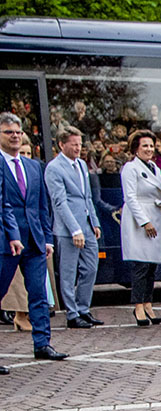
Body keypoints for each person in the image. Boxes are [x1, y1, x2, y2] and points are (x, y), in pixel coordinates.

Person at [0, 111, 66, 366]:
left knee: (39, 295)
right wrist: (12, 234)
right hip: (6, 241)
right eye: (9, 132)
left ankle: (43, 343)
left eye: (18, 132)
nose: (15, 136)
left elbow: (42, 206)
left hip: (35, 242)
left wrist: (47, 238)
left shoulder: (33, 166)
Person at [119, 129, 161, 327]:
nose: (149, 149)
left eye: (151, 146)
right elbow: (129, 197)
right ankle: (138, 306)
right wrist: (144, 222)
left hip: (156, 215)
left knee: (152, 266)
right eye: (144, 145)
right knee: (141, 265)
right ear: (136, 148)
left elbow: (159, 198)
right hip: (139, 219)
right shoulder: (130, 168)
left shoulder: (154, 167)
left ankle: (148, 303)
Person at [44, 125, 103, 329]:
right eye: (74, 144)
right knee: (68, 272)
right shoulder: (54, 168)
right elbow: (59, 202)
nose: (78, 148)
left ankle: (83, 308)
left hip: (86, 225)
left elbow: (87, 197)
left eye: (79, 144)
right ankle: (71, 313)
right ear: (61, 144)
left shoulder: (81, 165)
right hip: (69, 229)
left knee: (90, 268)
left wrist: (94, 222)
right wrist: (75, 229)